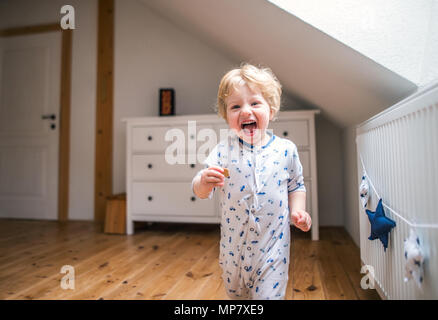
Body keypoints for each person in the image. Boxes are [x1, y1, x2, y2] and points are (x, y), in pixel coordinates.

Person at [191, 63, 312, 300]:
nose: (246, 111)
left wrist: (298, 211)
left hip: (273, 250)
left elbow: (296, 185)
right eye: (235, 106)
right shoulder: (223, 151)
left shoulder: (285, 150)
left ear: (271, 109)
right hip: (232, 253)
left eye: (255, 103)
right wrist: (204, 181)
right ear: (226, 115)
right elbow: (201, 190)